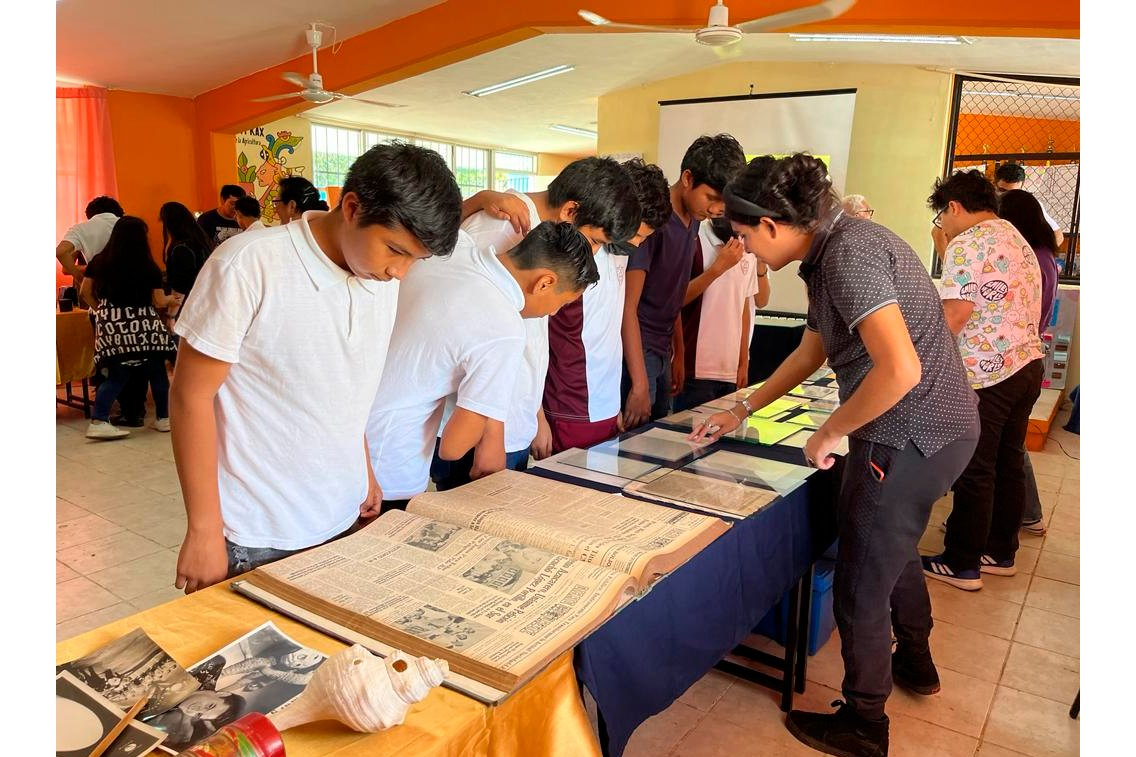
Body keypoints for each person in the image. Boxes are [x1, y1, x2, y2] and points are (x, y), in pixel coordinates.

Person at [690, 154, 979, 757]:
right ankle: (917, 662)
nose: (742, 249)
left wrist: (830, 431)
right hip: (942, 428)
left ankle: (865, 725)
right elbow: (811, 351)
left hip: (908, 434)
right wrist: (743, 407)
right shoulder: (831, 248)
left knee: (860, 582)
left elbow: (900, 369)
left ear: (771, 223)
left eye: (743, 235)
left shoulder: (847, 254)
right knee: (890, 548)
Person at [170, 142, 462, 593]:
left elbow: (348, 384)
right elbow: (190, 396)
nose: (400, 273)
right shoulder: (249, 264)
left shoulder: (377, 279)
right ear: (351, 207)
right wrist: (204, 530)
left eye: (414, 260)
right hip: (254, 534)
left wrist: (363, 469)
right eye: (395, 250)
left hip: (342, 514)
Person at [428, 157, 641, 490]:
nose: (595, 251)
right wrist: (491, 435)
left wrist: (534, 415)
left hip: (511, 422)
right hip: (478, 429)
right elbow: (473, 343)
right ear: (571, 211)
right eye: (596, 241)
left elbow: (530, 342)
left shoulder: (545, 235)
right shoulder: (501, 226)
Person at [368, 222, 600, 510]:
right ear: (544, 283)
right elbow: (454, 447)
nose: (553, 312)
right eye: (562, 303)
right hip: (390, 462)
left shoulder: (454, 247)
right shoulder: (504, 328)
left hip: (353, 431)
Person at [923, 170, 1045, 591]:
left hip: (988, 371)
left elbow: (954, 315)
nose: (944, 225)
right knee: (1008, 460)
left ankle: (962, 562)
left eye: (943, 216)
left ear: (954, 207)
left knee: (976, 467)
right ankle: (999, 550)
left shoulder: (968, 243)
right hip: (1026, 365)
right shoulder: (1013, 235)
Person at [542, 158, 672, 453]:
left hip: (604, 402)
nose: (637, 244)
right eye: (637, 234)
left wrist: (615, 403)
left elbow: (612, 324)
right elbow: (537, 334)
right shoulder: (574, 248)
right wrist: (538, 414)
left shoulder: (618, 251)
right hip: (569, 401)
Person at [622, 134, 746, 428]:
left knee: (660, 435)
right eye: (713, 199)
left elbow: (674, 297)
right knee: (634, 441)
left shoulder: (694, 221)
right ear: (687, 178)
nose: (718, 210)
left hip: (664, 350)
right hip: (640, 352)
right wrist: (639, 384)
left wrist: (679, 353)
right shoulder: (654, 219)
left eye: (723, 203)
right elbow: (628, 309)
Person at [79, 217, 178, 439]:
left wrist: (102, 311)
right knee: (157, 373)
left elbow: (84, 293)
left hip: (112, 327)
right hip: (144, 325)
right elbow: (159, 301)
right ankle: (163, 418)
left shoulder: (100, 261)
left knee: (116, 374)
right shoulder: (148, 266)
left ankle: (99, 419)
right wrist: (173, 299)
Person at [998, 189, 1060, 537]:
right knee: (1010, 444)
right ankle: (1026, 514)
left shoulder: (1028, 258)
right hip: (1027, 356)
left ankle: (1027, 514)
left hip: (1014, 359)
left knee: (1007, 447)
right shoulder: (1045, 254)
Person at [673, 214, 770, 411]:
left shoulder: (747, 246)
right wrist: (717, 268)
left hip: (731, 368)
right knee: (691, 437)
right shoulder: (696, 238)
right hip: (696, 368)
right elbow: (674, 301)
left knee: (724, 438)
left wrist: (743, 362)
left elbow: (744, 307)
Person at [159, 201, 215, 318]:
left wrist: (171, 316)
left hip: (187, 308)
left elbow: (180, 287)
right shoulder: (202, 241)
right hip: (206, 303)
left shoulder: (181, 249)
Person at [56, 195, 125, 288]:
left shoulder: (80, 228)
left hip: (102, 286)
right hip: (135, 285)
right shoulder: (130, 225)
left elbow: (61, 252)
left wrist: (79, 278)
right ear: (118, 212)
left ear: (89, 214)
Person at [992, 162, 1065, 249]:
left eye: (1014, 192)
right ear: (994, 183)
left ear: (1022, 186)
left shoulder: (1030, 204)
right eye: (1002, 190)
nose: (1007, 196)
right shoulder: (986, 203)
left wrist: (1036, 257)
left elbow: (1058, 235)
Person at [148, 690, 245, 750]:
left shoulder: (158, 710)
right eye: (210, 706)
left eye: (199, 714)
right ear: (222, 693)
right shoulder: (207, 670)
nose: (197, 710)